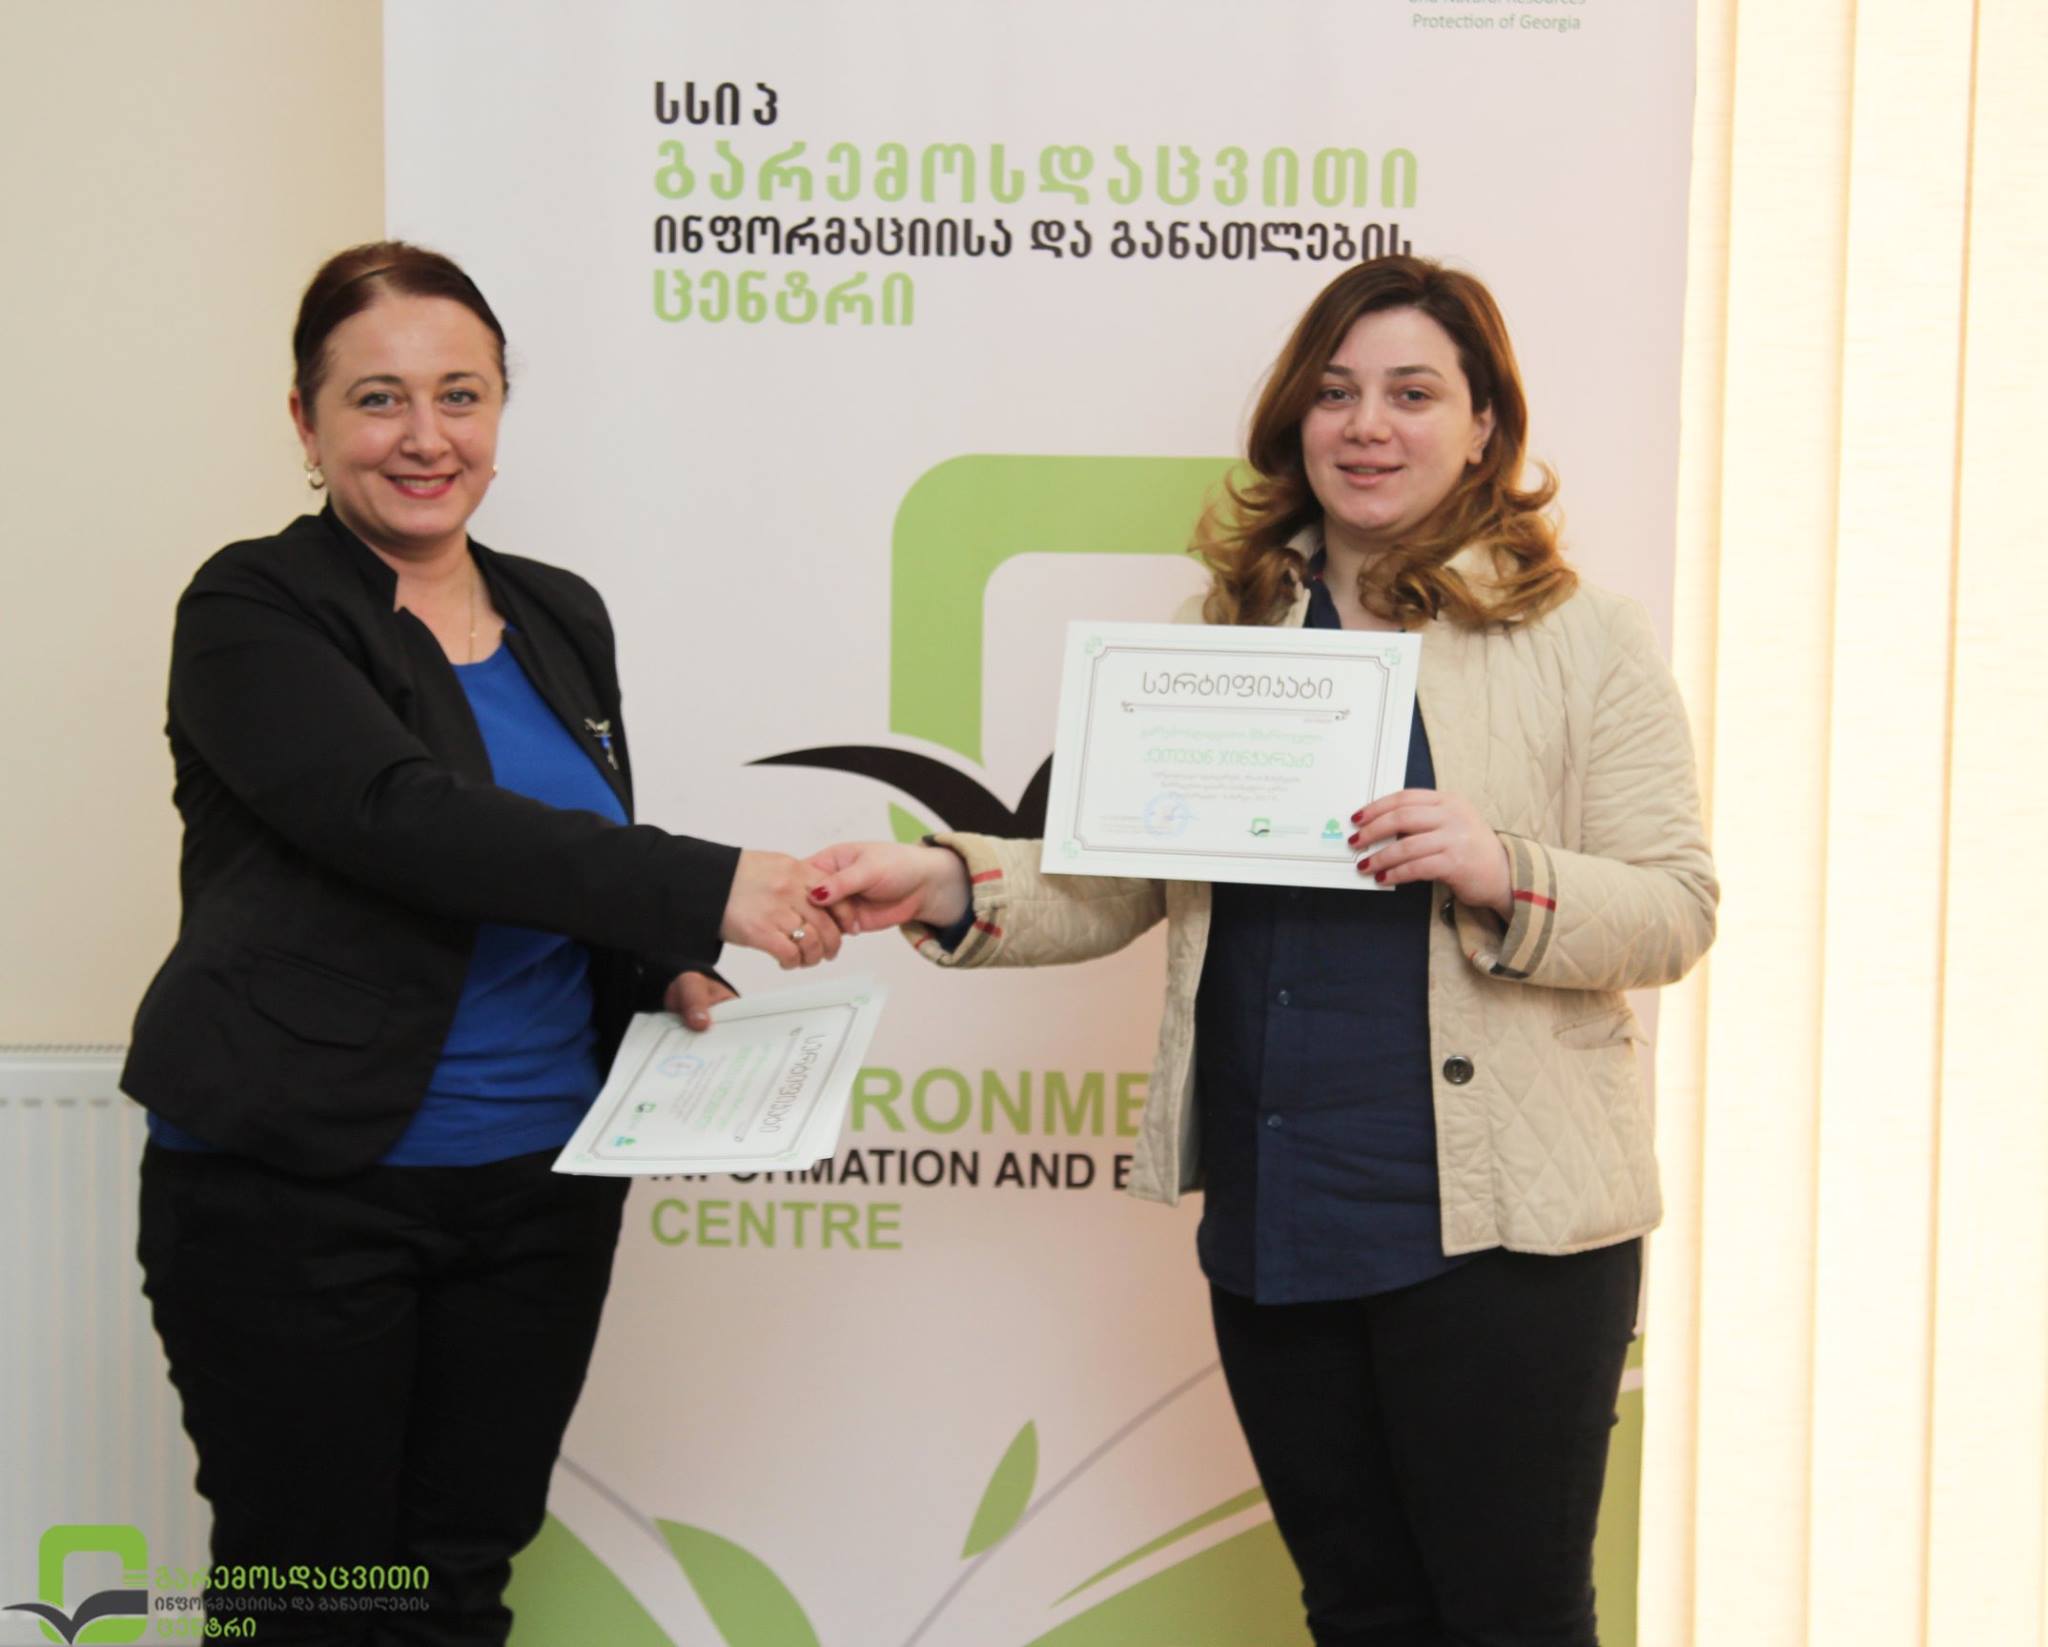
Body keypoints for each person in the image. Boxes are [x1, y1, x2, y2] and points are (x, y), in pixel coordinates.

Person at [804, 255, 1716, 1646]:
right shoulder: (1219, 634)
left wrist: (1504, 869)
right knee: (1357, 1613)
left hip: (1505, 1236)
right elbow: (1112, 879)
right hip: (1282, 1214)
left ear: (1485, 424)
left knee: (1514, 1620)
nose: (1368, 426)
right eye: (1335, 393)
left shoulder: (1581, 638)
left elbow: (1675, 906)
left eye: (1414, 394)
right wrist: (941, 880)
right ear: (1296, 419)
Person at [122, 240, 842, 1646]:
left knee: (460, 1584)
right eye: (378, 398)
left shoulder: (559, 613)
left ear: (502, 409)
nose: (426, 436)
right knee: (312, 1601)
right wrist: (705, 887)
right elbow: (400, 818)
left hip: (534, 1191)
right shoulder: (251, 609)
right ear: (305, 420)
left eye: (461, 395)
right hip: (299, 1193)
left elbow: (567, 853)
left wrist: (660, 962)